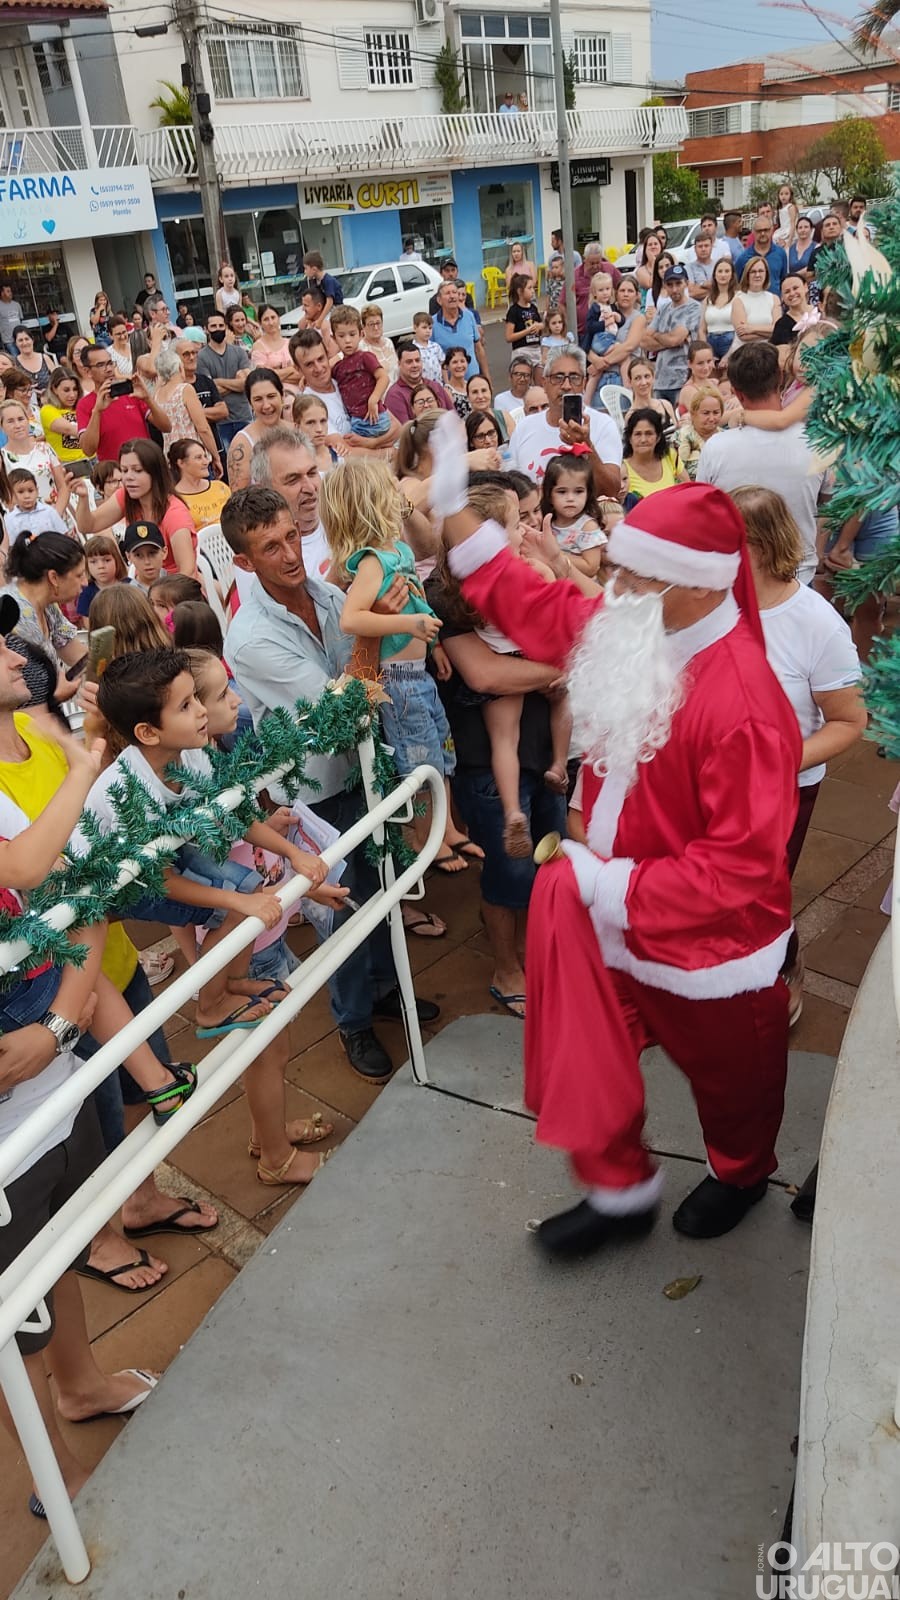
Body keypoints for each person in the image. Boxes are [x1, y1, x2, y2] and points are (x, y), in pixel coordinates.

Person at [437, 433, 803, 1253]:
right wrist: (452, 514)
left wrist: (608, 886)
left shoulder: (744, 704)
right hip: (607, 910)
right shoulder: (638, 621)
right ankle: (617, 1191)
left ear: (700, 586)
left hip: (708, 950)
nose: (613, 585)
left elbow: (741, 871)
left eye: (636, 575)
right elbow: (535, 603)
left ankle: (741, 1171)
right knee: (587, 1051)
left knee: (735, 1085)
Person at [221, 483, 440, 1081]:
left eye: (292, 536)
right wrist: (378, 625)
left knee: (384, 889)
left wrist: (382, 621)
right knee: (346, 907)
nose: (290, 553)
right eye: (271, 547)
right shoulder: (250, 638)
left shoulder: (324, 592)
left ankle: (386, 992)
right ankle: (353, 1021)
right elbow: (341, 702)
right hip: (318, 789)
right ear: (243, 561)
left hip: (367, 766)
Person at [696, 341, 825, 585]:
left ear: (736, 392)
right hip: (797, 570)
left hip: (739, 573)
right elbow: (829, 505)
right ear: (780, 378)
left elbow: (705, 512)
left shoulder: (716, 447)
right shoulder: (817, 442)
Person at [73, 438, 199, 580]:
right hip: (143, 584)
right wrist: (83, 498)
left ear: (155, 473)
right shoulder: (125, 496)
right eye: (124, 470)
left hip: (175, 589)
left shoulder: (175, 513)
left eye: (137, 470)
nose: (128, 478)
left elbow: (187, 572)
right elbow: (88, 525)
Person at [509, 347, 622, 496]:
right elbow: (510, 487)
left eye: (574, 377)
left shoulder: (603, 425)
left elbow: (611, 490)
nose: (566, 386)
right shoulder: (524, 428)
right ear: (544, 383)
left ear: (584, 383)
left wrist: (585, 445)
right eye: (558, 377)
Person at [0, 531, 86, 707]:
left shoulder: (48, 605)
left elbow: (80, 657)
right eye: (79, 575)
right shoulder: (16, 616)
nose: (85, 582)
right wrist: (54, 698)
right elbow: (23, 699)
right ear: (53, 577)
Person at [76, 345, 171, 464]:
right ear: (87, 372)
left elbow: (166, 426)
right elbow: (88, 450)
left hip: (146, 467)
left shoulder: (131, 394)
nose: (109, 369)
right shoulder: (85, 404)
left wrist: (148, 398)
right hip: (116, 475)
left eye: (110, 363)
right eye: (101, 365)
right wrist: (97, 411)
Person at [153, 346, 223, 473]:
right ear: (180, 367)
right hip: (193, 456)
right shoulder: (185, 389)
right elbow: (203, 428)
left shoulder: (157, 395)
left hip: (171, 459)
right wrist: (215, 457)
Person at [540, 447, 606, 581]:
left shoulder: (587, 527)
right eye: (562, 491)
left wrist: (555, 556)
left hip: (581, 594)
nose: (570, 498)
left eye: (578, 491)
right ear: (549, 494)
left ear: (588, 493)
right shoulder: (547, 522)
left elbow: (591, 567)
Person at [643, 264, 702, 408]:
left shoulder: (694, 307)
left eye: (678, 283)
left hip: (682, 377)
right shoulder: (663, 308)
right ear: (665, 286)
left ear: (686, 284)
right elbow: (644, 341)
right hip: (660, 378)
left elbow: (675, 338)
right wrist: (670, 340)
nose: (674, 289)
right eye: (670, 285)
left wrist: (658, 336)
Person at [330, 305, 392, 439]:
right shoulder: (337, 367)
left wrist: (374, 399)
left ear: (361, 334)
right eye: (341, 336)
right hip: (355, 421)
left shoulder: (365, 357)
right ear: (334, 338)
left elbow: (383, 377)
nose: (347, 340)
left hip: (374, 418)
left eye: (352, 334)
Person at [197, 312, 252, 452]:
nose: (218, 329)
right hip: (221, 422)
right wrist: (236, 383)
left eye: (221, 325)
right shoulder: (201, 357)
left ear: (226, 327)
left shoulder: (239, 352)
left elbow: (246, 384)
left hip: (243, 415)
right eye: (213, 326)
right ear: (206, 329)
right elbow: (211, 391)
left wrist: (218, 381)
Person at [0, 400, 69, 513]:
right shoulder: (2, 458)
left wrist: (56, 514)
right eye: (10, 421)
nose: (17, 425)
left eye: (21, 419)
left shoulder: (46, 449)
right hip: (21, 523)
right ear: (2, 427)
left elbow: (63, 487)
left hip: (55, 516)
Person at [226, 367, 287, 490]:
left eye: (271, 396)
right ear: (250, 403)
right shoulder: (242, 444)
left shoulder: (297, 430)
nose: (266, 406)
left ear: (282, 396)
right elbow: (239, 498)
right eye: (258, 399)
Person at [585, 275, 646, 393]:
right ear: (616, 293)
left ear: (637, 295)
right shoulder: (603, 311)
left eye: (630, 291)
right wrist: (595, 359)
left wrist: (602, 363)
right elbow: (589, 339)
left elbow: (628, 347)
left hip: (623, 378)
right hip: (600, 377)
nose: (626, 294)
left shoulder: (638, 318)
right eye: (622, 291)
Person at [175, 337, 228, 455]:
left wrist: (193, 413)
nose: (192, 357)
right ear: (176, 358)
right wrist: (209, 413)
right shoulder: (175, 387)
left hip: (216, 448)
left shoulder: (205, 380)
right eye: (186, 354)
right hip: (189, 453)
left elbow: (223, 411)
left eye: (194, 353)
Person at [622, 408, 688, 498]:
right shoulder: (622, 469)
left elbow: (688, 488)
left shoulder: (670, 457)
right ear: (630, 438)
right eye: (638, 434)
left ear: (658, 437)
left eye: (649, 433)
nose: (643, 440)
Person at [168, 437, 231, 529]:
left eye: (205, 456)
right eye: (198, 458)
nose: (206, 462)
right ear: (181, 463)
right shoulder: (176, 499)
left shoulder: (221, 488)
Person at [385, 341, 453, 425]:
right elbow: (404, 431)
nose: (415, 365)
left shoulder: (435, 386)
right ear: (399, 364)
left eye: (417, 360)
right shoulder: (395, 395)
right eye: (409, 362)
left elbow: (453, 416)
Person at [432, 281, 483, 380]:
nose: (452, 296)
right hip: (449, 385)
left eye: (454, 292)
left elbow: (479, 349)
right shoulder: (433, 324)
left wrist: (487, 377)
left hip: (473, 381)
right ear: (439, 300)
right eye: (447, 293)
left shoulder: (469, 316)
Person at [3, 468, 68, 545]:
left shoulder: (49, 511)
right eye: (20, 492)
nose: (27, 496)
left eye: (30, 491)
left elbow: (63, 535)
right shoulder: (10, 519)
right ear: (12, 494)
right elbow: (11, 546)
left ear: (37, 491)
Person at [675, 385, 726, 480]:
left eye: (716, 413)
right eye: (706, 413)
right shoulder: (682, 436)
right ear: (693, 414)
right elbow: (676, 473)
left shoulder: (726, 437)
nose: (711, 418)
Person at [76, 534, 129, 618]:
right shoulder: (86, 593)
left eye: (107, 560)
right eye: (93, 562)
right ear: (86, 565)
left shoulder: (130, 585)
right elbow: (89, 625)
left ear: (117, 561)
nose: (101, 566)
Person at [574, 243, 622, 335]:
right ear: (585, 259)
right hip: (583, 332)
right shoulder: (575, 275)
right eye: (592, 263)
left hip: (611, 331)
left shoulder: (610, 269)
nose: (595, 266)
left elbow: (623, 286)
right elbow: (563, 303)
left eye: (598, 262)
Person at [731, 257, 780, 346]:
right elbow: (743, 335)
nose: (757, 275)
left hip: (768, 352)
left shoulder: (774, 299)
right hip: (744, 352)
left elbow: (778, 330)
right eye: (753, 272)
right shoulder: (738, 300)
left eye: (761, 271)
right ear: (747, 275)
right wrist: (769, 332)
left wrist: (752, 328)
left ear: (766, 274)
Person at [249, 304, 299, 391]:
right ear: (260, 323)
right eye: (266, 319)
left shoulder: (290, 343)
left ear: (278, 319)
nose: (271, 323)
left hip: (297, 392)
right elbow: (265, 377)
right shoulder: (258, 346)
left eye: (273, 317)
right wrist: (291, 369)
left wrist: (275, 372)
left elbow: (301, 374)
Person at [699, 257, 738, 366]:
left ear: (732, 275)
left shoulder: (738, 297)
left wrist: (728, 355)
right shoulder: (708, 299)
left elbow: (740, 330)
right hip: (710, 342)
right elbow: (702, 329)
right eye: (720, 271)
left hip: (730, 342)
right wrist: (707, 353)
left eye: (727, 271)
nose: (723, 275)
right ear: (714, 275)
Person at [735, 217, 788, 296]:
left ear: (771, 230)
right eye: (759, 231)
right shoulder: (743, 258)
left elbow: (783, 280)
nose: (763, 233)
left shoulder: (781, 253)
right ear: (753, 232)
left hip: (775, 304)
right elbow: (738, 284)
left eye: (766, 230)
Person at [466, 374, 513, 446]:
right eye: (475, 392)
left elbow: (515, 445)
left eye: (484, 390)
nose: (480, 396)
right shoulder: (464, 426)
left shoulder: (504, 417)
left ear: (490, 392)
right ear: (468, 397)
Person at [359, 303, 399, 386]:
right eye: (371, 324)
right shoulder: (361, 348)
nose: (376, 328)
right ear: (363, 326)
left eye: (378, 323)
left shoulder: (389, 342)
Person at [123, 519, 166, 593]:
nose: (147, 562)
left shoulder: (178, 587)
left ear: (164, 552)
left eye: (152, 553)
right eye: (138, 555)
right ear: (128, 557)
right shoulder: (127, 597)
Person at [299, 251, 344, 319]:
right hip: (325, 309)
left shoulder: (328, 281)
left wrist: (320, 320)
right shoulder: (315, 281)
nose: (305, 272)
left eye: (306, 268)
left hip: (336, 310)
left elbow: (330, 302)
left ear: (314, 269)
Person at [13, 325, 56, 395]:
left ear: (32, 340)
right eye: (20, 340)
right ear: (16, 343)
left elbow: (57, 380)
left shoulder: (45, 358)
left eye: (27, 339)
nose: (24, 343)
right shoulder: (14, 364)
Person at [410, 312, 444, 384]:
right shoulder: (412, 349)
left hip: (438, 385)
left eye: (430, 328)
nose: (428, 331)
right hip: (422, 387)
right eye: (424, 327)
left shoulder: (435, 347)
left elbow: (443, 365)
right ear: (415, 328)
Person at [685, 232, 716, 301]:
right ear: (695, 249)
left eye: (706, 246)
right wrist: (715, 287)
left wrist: (699, 286)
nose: (703, 249)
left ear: (711, 247)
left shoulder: (718, 266)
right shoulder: (688, 268)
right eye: (700, 246)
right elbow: (691, 292)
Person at [788, 215, 817, 281]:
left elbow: (813, 268)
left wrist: (792, 276)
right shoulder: (790, 249)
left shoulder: (817, 247)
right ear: (797, 230)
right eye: (800, 228)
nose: (803, 230)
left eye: (806, 227)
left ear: (811, 229)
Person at [0, 284, 24, 355]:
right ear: (2, 293)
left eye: (10, 291)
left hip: (20, 338)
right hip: (8, 341)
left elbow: (20, 319)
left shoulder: (16, 305)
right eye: (8, 291)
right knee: (15, 360)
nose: (10, 293)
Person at [773, 184, 799, 249]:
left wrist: (789, 242)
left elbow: (793, 224)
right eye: (781, 194)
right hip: (783, 230)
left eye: (786, 194)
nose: (783, 196)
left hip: (789, 231)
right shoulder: (780, 208)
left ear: (790, 195)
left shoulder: (790, 207)